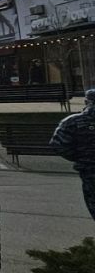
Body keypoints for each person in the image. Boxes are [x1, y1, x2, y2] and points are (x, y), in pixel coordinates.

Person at [50, 89, 95, 222]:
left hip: (89, 171)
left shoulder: (73, 121)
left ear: (86, 102)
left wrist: (78, 157)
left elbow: (58, 145)